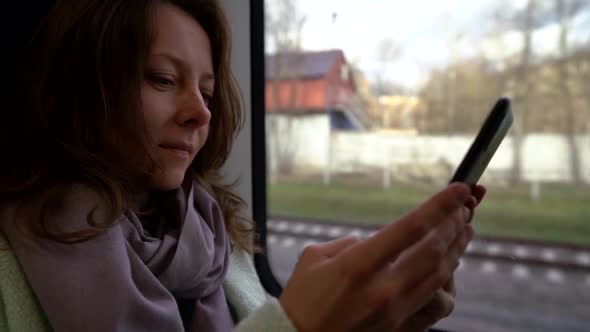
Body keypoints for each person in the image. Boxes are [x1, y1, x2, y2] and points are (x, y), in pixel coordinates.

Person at [0, 0, 486, 331]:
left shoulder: (211, 232)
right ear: (83, 90)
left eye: (208, 92)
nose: (201, 112)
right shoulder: (13, 262)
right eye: (164, 79)